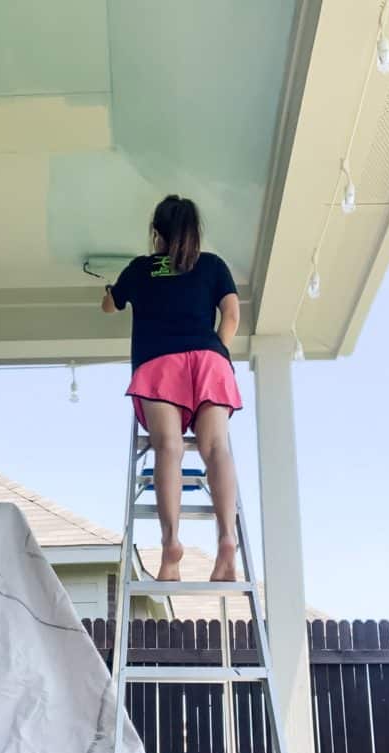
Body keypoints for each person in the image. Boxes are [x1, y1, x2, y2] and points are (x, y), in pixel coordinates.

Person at [101, 195, 242, 583]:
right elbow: (232, 315)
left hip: (159, 362)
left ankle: (171, 543)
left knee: (169, 448)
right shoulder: (212, 265)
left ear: (156, 234)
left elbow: (108, 305)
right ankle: (227, 539)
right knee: (217, 449)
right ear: (195, 231)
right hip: (209, 360)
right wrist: (215, 351)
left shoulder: (142, 269)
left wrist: (112, 289)